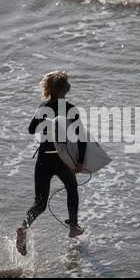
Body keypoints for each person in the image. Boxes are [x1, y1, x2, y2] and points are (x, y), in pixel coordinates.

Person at [16, 70, 87, 256]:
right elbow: (82, 139)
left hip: (44, 158)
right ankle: (73, 227)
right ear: (66, 88)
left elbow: (31, 130)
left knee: (40, 203)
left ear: (47, 88)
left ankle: (24, 227)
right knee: (72, 188)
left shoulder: (43, 107)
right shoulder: (71, 109)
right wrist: (79, 163)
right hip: (62, 159)